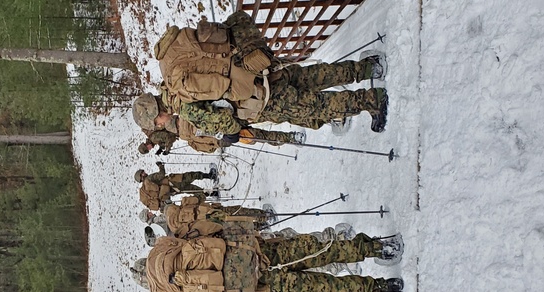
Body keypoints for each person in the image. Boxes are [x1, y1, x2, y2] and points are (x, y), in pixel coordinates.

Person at [149, 11, 389, 136]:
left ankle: (372, 100)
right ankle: (368, 67)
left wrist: (229, 133)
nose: (161, 124)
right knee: (314, 75)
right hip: (258, 66)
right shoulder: (174, 67)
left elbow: (227, 123)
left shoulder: (184, 104)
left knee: (317, 106)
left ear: (158, 113)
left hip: (263, 99)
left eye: (157, 122)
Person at [132, 218, 403, 292]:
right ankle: (378, 248)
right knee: (317, 249)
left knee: (324, 287)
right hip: (260, 252)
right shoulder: (178, 242)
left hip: (265, 287)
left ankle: (379, 287)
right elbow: (215, 226)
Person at [132, 93, 306, 153]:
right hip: (212, 131)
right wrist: (219, 142)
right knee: (256, 136)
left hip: (220, 120)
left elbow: (172, 134)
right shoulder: (163, 128)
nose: (159, 125)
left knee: (265, 115)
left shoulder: (172, 118)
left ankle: (302, 123)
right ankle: (289, 138)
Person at [135, 162, 217, 211]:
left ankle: (212, 193)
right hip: (175, 181)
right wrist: (161, 166)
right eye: (143, 172)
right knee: (191, 176)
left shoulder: (146, 190)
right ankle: (210, 175)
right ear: (141, 176)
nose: (144, 172)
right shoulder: (149, 179)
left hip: (173, 190)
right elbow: (161, 174)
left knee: (192, 189)